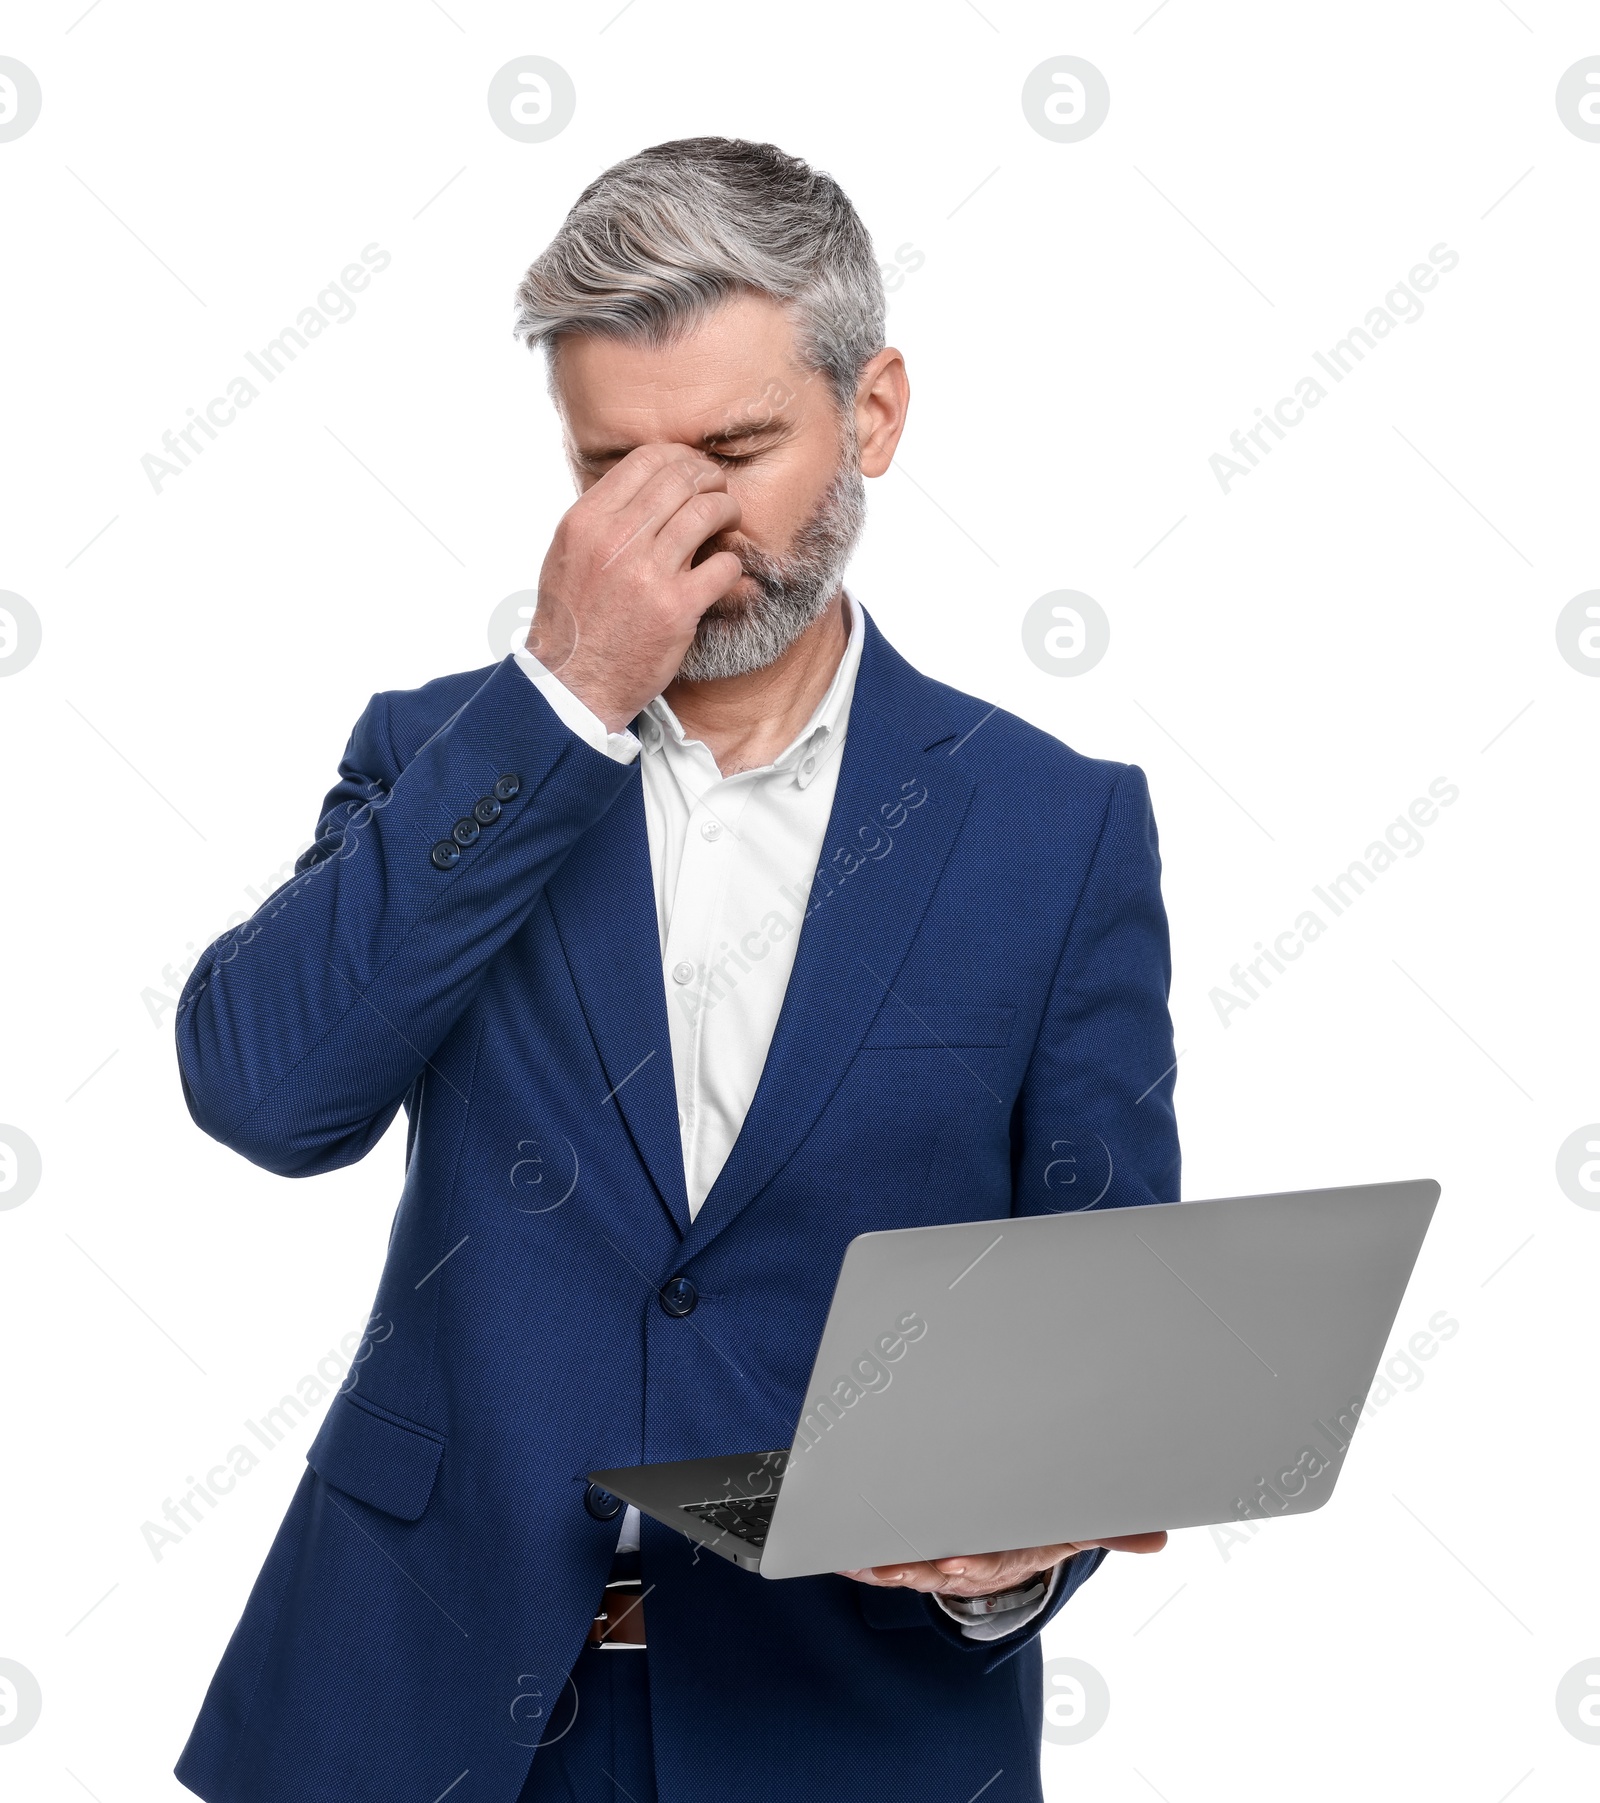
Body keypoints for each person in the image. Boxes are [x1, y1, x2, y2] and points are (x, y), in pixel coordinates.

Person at [171, 136, 1179, 1803]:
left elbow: (1093, 1322)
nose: (683, 523)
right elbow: (266, 1094)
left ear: (873, 416)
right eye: (613, 465)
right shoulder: (449, 758)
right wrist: (565, 692)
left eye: (734, 447)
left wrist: (1009, 1560)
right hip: (413, 1703)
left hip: (849, 1726)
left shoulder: (1053, 828)